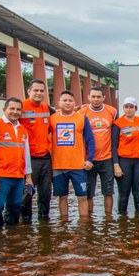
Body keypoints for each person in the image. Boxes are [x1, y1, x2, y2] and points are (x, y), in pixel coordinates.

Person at [0, 97, 33, 228]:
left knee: (15, 206)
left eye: (18, 109)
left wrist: (28, 177)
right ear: (4, 109)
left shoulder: (22, 130)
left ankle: (12, 237)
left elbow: (26, 155)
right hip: (1, 176)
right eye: (12, 108)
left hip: (18, 176)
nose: (15, 112)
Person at [50, 90, 95, 221]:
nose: (68, 103)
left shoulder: (81, 118)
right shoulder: (52, 119)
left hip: (78, 166)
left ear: (74, 103)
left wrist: (89, 159)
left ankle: (85, 223)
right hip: (58, 166)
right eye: (65, 100)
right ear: (58, 103)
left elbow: (90, 140)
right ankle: (63, 224)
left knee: (82, 196)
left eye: (70, 100)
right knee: (62, 197)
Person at [79, 86, 118, 215]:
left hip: (106, 158)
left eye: (98, 97)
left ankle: (108, 219)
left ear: (104, 98)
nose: (96, 99)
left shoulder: (112, 111)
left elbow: (116, 134)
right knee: (89, 192)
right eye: (93, 97)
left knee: (108, 191)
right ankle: (89, 220)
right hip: (89, 160)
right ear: (88, 97)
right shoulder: (82, 112)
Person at [20, 79, 54, 221]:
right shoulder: (20, 107)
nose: (39, 93)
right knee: (27, 193)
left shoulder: (47, 108)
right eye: (36, 90)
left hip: (46, 158)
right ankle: (25, 221)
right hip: (29, 158)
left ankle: (44, 221)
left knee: (46, 193)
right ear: (29, 91)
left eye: (41, 90)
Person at [113, 97, 139, 214]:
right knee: (124, 193)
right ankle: (122, 221)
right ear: (123, 108)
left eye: (131, 107)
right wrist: (116, 165)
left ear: (135, 108)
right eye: (126, 107)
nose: (128, 110)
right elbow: (113, 146)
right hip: (124, 161)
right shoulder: (118, 124)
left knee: (138, 193)